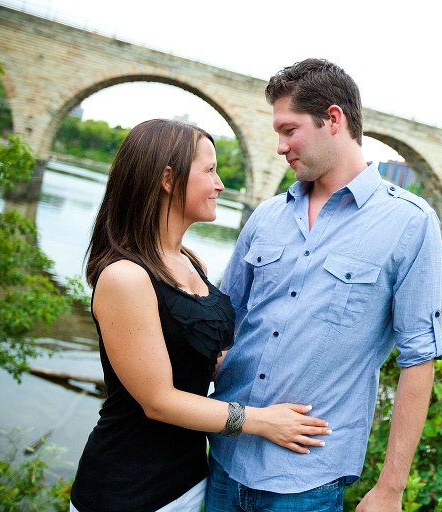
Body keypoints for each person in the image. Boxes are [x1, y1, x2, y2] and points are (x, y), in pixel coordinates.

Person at [205, 59, 442, 512]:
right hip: (223, 459)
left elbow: (419, 360)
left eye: (288, 130)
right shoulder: (267, 216)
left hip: (306, 485)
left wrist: (390, 489)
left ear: (333, 119)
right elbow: (223, 323)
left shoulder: (411, 226)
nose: (280, 147)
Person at [70, 119, 329, 512]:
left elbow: (199, 360)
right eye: (209, 171)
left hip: (192, 480)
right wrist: (262, 421)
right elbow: (158, 400)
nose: (220, 184)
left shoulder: (191, 263)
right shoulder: (125, 277)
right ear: (168, 179)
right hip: (127, 491)